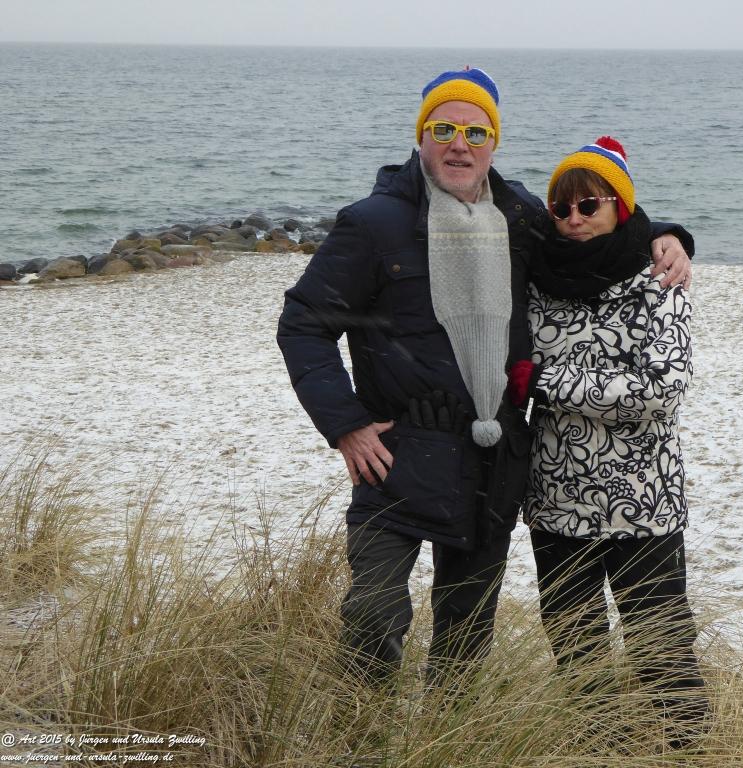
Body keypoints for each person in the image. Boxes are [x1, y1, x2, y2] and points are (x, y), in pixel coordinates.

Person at [276, 69, 694, 687]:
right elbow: (303, 325)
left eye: (475, 132)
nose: (459, 145)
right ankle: (362, 731)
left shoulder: (519, 214)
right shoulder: (372, 223)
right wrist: (346, 425)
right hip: (397, 452)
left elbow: (591, 231)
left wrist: (666, 236)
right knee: (373, 619)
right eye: (443, 129)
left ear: (493, 142)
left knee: (465, 639)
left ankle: (451, 731)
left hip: (491, 458)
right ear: (421, 137)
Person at [508, 136, 707, 729]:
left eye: (589, 205)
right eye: (562, 208)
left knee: (664, 655)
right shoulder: (536, 277)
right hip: (556, 502)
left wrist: (545, 383)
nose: (574, 218)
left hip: (642, 504)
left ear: (620, 207)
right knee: (578, 658)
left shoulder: (660, 280)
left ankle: (694, 753)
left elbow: (661, 389)